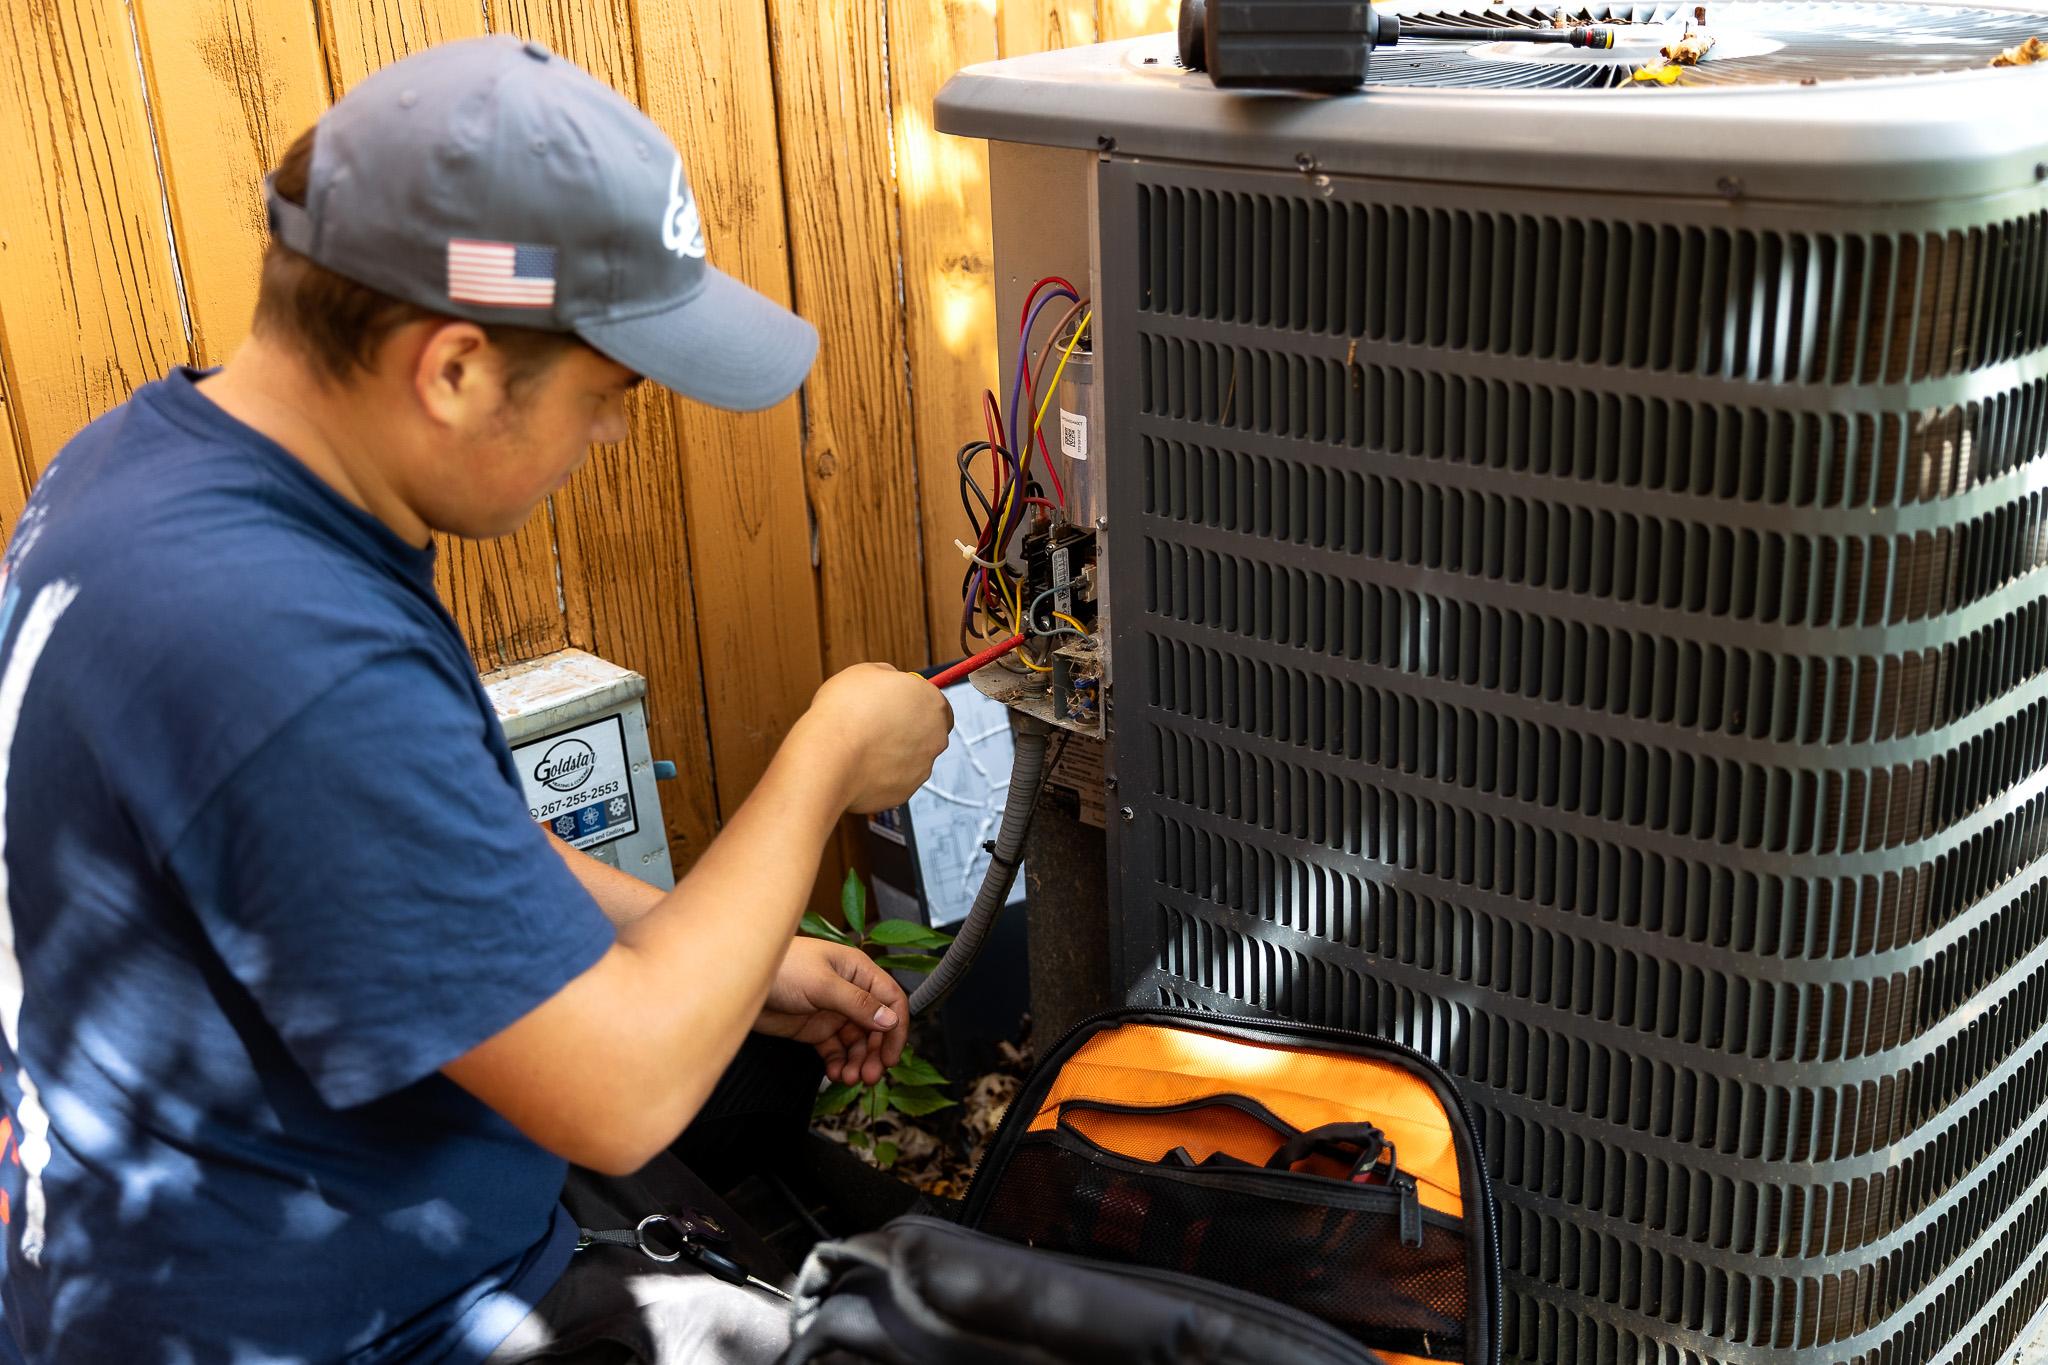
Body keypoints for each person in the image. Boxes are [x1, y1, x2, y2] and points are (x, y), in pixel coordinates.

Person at [0, 34, 952, 1365]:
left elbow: (423, 856)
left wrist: (717, 945)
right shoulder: (277, 647)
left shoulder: (148, 475)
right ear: (451, 369)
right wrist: (830, 747)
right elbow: (620, 1094)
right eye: (605, 398)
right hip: (345, 1327)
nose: (610, 439)